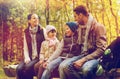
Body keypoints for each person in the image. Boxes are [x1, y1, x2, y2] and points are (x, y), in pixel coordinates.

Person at [59, 5, 107, 79]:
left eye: (75, 16)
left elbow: (101, 50)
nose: (75, 19)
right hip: (83, 54)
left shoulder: (98, 27)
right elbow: (71, 36)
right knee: (63, 66)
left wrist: (83, 60)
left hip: (96, 57)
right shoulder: (79, 27)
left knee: (86, 69)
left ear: (80, 15)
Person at [16, 13, 46, 79]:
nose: (36, 20)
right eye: (34, 18)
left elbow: (47, 43)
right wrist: (27, 58)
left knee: (27, 67)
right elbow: (25, 47)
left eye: (37, 18)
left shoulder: (42, 30)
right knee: (19, 69)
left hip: (38, 57)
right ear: (29, 21)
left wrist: (44, 57)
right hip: (29, 56)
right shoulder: (26, 32)